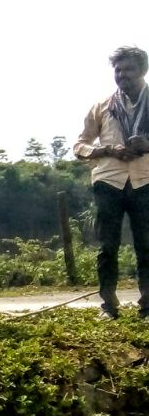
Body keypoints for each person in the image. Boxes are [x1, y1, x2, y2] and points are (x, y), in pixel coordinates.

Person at [75, 46, 149, 319]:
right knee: (108, 246)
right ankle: (108, 306)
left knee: (147, 245)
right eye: (118, 70)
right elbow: (80, 145)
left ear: (143, 70)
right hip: (109, 181)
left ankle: (148, 306)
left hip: (145, 180)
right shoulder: (102, 106)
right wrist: (107, 150)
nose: (122, 75)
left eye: (128, 69)